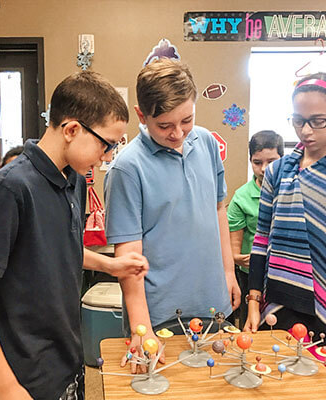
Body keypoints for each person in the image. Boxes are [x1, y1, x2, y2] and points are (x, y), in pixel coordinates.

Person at [0, 71, 149, 400]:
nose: (108, 156)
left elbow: (54, 247)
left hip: (67, 360)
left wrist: (110, 265)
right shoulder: (11, 187)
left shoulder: (75, 180)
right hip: (25, 374)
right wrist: (5, 386)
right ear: (72, 129)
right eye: (107, 144)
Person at [104, 58, 240, 371]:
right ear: (141, 115)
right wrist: (142, 328)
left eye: (186, 120)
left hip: (214, 304)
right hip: (159, 316)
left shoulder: (205, 142)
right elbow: (129, 257)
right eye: (164, 125)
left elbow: (219, 208)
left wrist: (229, 272)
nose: (178, 133)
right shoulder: (127, 168)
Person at [245, 72, 326, 337]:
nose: (305, 131)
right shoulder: (277, 172)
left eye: (318, 121)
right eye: (298, 121)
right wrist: (254, 302)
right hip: (280, 301)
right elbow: (261, 240)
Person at [227, 130, 283, 328]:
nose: (265, 168)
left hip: (283, 272)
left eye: (272, 161)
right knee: (250, 323)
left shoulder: (291, 191)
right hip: (250, 272)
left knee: (281, 323)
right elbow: (233, 250)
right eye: (257, 162)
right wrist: (237, 258)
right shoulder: (241, 198)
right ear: (250, 161)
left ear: (283, 159)